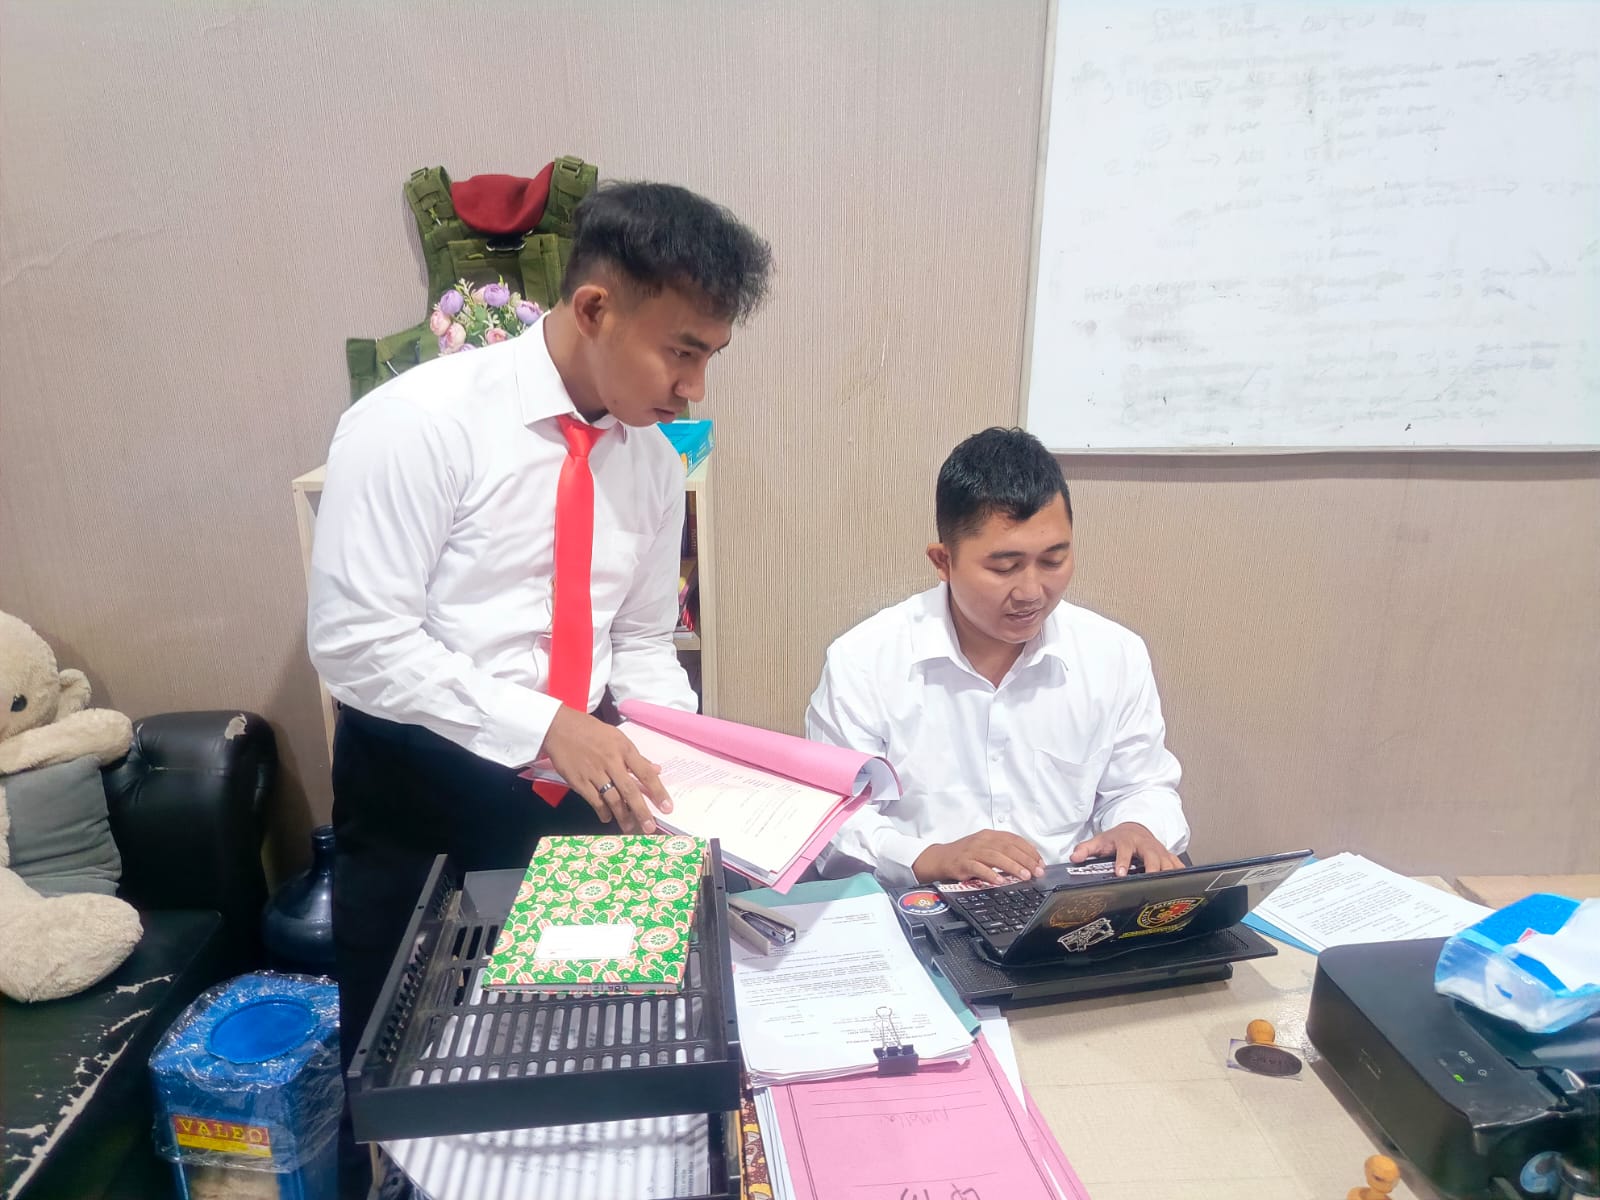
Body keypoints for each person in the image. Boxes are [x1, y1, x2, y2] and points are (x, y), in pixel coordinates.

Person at [306, 181, 771, 1063]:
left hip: (584, 785)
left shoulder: (650, 462)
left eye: (710, 356)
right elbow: (358, 643)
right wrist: (548, 726)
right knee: (409, 1066)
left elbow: (640, 641)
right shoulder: (417, 423)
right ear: (594, 309)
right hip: (422, 787)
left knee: (582, 1047)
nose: (693, 387)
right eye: (680, 352)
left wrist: (685, 762)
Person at [807, 426, 1189, 888]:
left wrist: (1137, 825)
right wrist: (928, 857)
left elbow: (1143, 784)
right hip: (919, 904)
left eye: (1053, 561)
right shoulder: (865, 660)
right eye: (1004, 567)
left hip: (1064, 904)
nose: (1031, 592)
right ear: (943, 562)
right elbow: (833, 818)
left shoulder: (1113, 654)